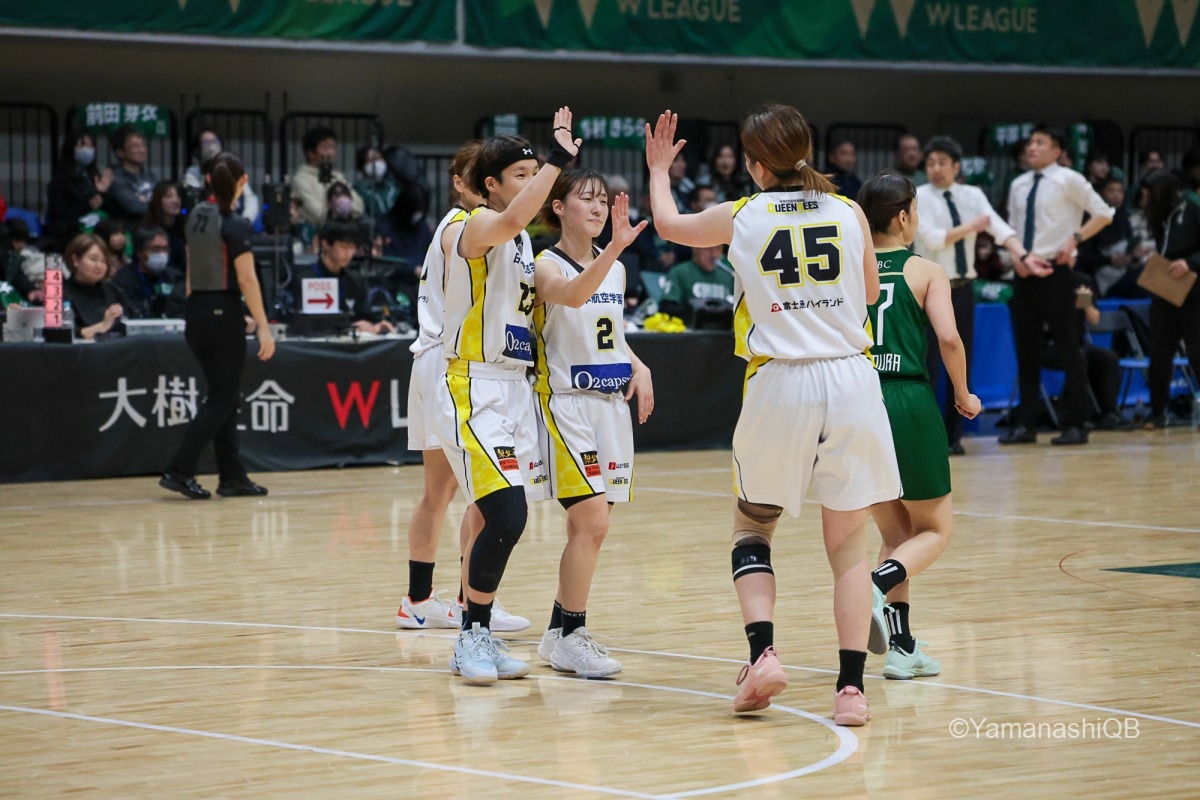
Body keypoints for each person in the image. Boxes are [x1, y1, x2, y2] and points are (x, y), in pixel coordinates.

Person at [646, 105, 901, 726]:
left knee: (752, 526)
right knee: (849, 547)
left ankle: (763, 656)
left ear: (756, 164)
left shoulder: (743, 214)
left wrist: (658, 169)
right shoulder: (849, 210)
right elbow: (870, 293)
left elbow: (669, 225)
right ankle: (850, 691)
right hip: (851, 378)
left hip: (781, 379)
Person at [438, 109, 577, 685]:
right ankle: (469, 637)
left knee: (498, 517)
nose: (532, 182)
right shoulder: (470, 226)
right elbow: (517, 213)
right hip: (473, 386)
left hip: (514, 387)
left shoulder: (521, 242)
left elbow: (564, 295)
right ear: (490, 184)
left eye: (534, 172)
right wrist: (558, 159)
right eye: (522, 174)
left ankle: (479, 629)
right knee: (506, 513)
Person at [395, 141, 528, 634]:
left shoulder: (492, 230)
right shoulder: (462, 225)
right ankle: (436, 599)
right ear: (464, 182)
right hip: (448, 360)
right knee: (459, 490)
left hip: (456, 362)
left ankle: (451, 598)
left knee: (460, 492)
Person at [858, 173, 982, 681]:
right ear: (904, 216)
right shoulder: (926, 270)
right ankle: (874, 585)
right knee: (933, 531)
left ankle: (902, 648)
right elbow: (948, 339)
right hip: (906, 399)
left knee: (897, 533)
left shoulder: (849, 269)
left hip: (857, 401)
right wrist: (963, 393)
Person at [531, 168, 653, 678]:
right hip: (566, 404)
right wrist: (615, 250)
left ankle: (556, 633)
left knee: (589, 527)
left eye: (603, 199)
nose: (599, 208)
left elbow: (611, 333)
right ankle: (571, 635)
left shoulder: (615, 269)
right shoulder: (544, 265)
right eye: (586, 199)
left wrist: (638, 364)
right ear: (559, 207)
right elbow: (574, 296)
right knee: (593, 522)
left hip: (609, 407)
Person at [160, 152, 275, 500]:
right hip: (221, 312)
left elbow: (192, 270)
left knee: (225, 396)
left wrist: (203, 309)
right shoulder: (234, 223)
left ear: (208, 180)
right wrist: (263, 326)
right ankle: (179, 471)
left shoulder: (195, 214)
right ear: (243, 182)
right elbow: (247, 279)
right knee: (222, 397)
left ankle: (232, 477)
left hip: (197, 310)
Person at [914, 135, 1031, 455]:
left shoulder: (972, 195)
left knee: (959, 364)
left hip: (963, 289)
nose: (935, 169)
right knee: (928, 363)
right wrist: (972, 227)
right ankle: (926, 435)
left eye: (942, 162)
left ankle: (954, 436)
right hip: (929, 290)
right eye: (930, 163)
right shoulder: (919, 196)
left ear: (956, 166)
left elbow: (999, 227)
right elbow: (933, 239)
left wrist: (1022, 255)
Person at [1002, 126, 1113, 446]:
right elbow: (1012, 227)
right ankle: (1027, 424)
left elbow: (1104, 214)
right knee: (1026, 350)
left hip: (1057, 271)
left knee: (1069, 348)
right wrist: (1016, 257)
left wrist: (1074, 239)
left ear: (1056, 151)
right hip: (1024, 272)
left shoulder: (1069, 179)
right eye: (1031, 142)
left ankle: (1079, 423)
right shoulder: (1018, 184)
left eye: (1041, 142)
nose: (1032, 147)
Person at [1142, 171, 1200, 428]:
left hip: (1194, 285)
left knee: (1197, 351)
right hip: (1165, 283)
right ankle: (1157, 412)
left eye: (1150, 195)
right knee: (1159, 351)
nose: (1146, 201)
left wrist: (1190, 263)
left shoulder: (1194, 205)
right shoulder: (1161, 213)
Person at [290, 220, 395, 334]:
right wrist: (349, 327)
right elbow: (297, 322)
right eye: (343, 247)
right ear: (326, 244)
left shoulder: (355, 282)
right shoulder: (303, 279)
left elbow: (365, 317)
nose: (348, 253)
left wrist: (376, 326)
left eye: (352, 248)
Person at [183, 129, 261, 227]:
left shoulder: (232, 169)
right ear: (198, 149)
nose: (211, 146)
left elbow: (250, 198)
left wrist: (245, 220)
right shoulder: (193, 173)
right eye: (206, 142)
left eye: (215, 141)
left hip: (233, 221)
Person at [290, 127, 365, 226]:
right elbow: (318, 214)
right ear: (310, 153)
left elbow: (359, 207)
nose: (330, 153)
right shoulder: (301, 179)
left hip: (344, 228)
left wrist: (342, 212)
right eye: (325, 148)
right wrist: (343, 210)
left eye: (333, 148)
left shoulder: (338, 177)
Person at [46, 131, 112, 242]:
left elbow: (107, 210)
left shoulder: (93, 176)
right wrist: (88, 205)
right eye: (82, 145)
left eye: (90, 146)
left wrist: (103, 194)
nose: (87, 150)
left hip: (96, 231)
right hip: (71, 234)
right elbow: (59, 215)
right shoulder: (60, 180)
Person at [111, 225, 186, 319]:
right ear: (139, 252)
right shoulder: (122, 281)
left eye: (165, 249)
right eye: (155, 249)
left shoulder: (176, 278)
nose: (162, 254)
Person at [62, 233, 125, 340]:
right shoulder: (61, 294)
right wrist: (104, 325)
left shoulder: (112, 290)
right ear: (75, 260)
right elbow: (68, 335)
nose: (99, 266)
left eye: (104, 261)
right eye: (93, 259)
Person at [104, 125, 160, 226]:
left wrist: (146, 200)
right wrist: (155, 204)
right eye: (135, 146)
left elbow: (162, 198)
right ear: (120, 153)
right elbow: (135, 207)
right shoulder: (115, 178)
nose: (142, 150)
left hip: (154, 225)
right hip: (129, 228)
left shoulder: (150, 175)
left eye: (143, 145)